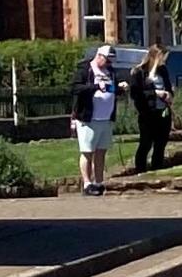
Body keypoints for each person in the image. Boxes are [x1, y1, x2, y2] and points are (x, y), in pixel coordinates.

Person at [72, 47, 122, 195]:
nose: (108, 63)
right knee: (88, 151)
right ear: (99, 56)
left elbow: (110, 89)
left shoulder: (110, 71)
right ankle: (87, 184)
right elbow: (75, 88)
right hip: (89, 118)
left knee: (101, 152)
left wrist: (119, 88)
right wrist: (94, 87)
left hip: (106, 118)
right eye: (107, 60)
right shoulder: (85, 70)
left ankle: (99, 182)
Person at [125, 48, 176, 175]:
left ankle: (157, 168)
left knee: (161, 142)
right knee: (146, 143)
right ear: (155, 57)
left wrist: (169, 94)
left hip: (163, 110)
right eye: (163, 57)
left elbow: (168, 87)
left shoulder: (163, 71)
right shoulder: (139, 72)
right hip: (147, 113)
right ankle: (140, 169)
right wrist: (155, 93)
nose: (164, 61)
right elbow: (135, 93)